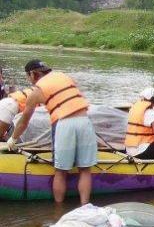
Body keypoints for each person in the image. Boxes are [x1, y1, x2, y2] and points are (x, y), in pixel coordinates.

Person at [7, 60, 98, 204]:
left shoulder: (36, 91)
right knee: (85, 170)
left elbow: (24, 121)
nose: (29, 80)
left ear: (33, 74)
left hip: (64, 124)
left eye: (28, 76)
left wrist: (12, 139)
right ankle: (84, 205)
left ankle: (58, 209)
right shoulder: (64, 77)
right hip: (84, 122)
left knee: (61, 172)